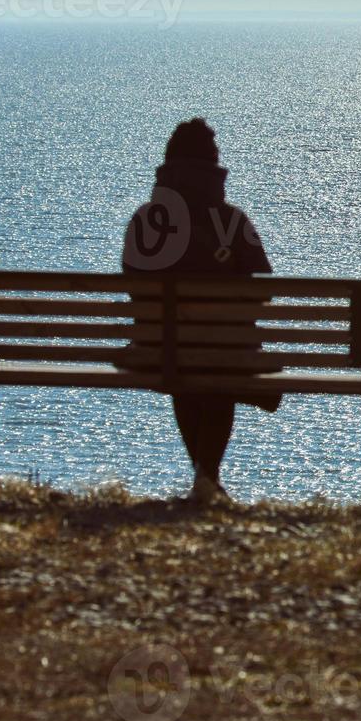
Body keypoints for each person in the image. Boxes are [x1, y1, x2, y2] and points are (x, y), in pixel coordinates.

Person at [121, 118, 280, 504]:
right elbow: (264, 288)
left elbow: (131, 282)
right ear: (214, 165)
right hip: (227, 352)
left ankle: (205, 480)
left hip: (157, 350)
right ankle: (207, 479)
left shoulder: (145, 221)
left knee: (185, 369)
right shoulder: (231, 221)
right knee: (217, 370)